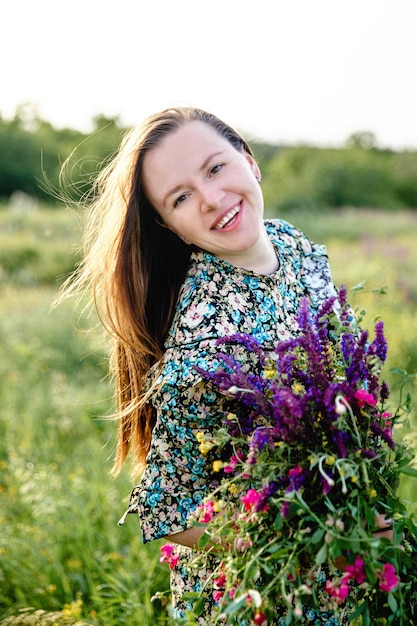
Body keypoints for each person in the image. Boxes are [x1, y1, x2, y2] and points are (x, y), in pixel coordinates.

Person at [66, 106, 352, 624]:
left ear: (249, 159)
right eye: (181, 197)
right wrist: (308, 541)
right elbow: (168, 508)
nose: (213, 200)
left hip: (340, 576)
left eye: (216, 168)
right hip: (256, 601)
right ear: (169, 225)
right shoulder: (205, 338)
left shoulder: (293, 245)